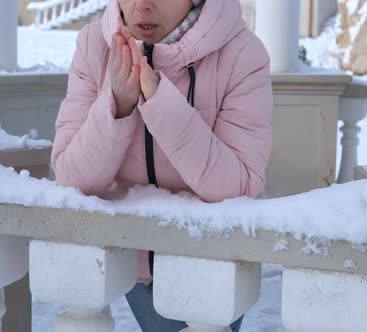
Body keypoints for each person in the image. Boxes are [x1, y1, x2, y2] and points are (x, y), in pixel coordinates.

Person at [51, 0, 273, 331]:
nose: (142, 5)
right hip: (136, 267)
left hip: (213, 265)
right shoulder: (93, 45)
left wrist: (159, 102)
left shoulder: (242, 54)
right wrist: (118, 106)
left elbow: (239, 186)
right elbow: (70, 178)